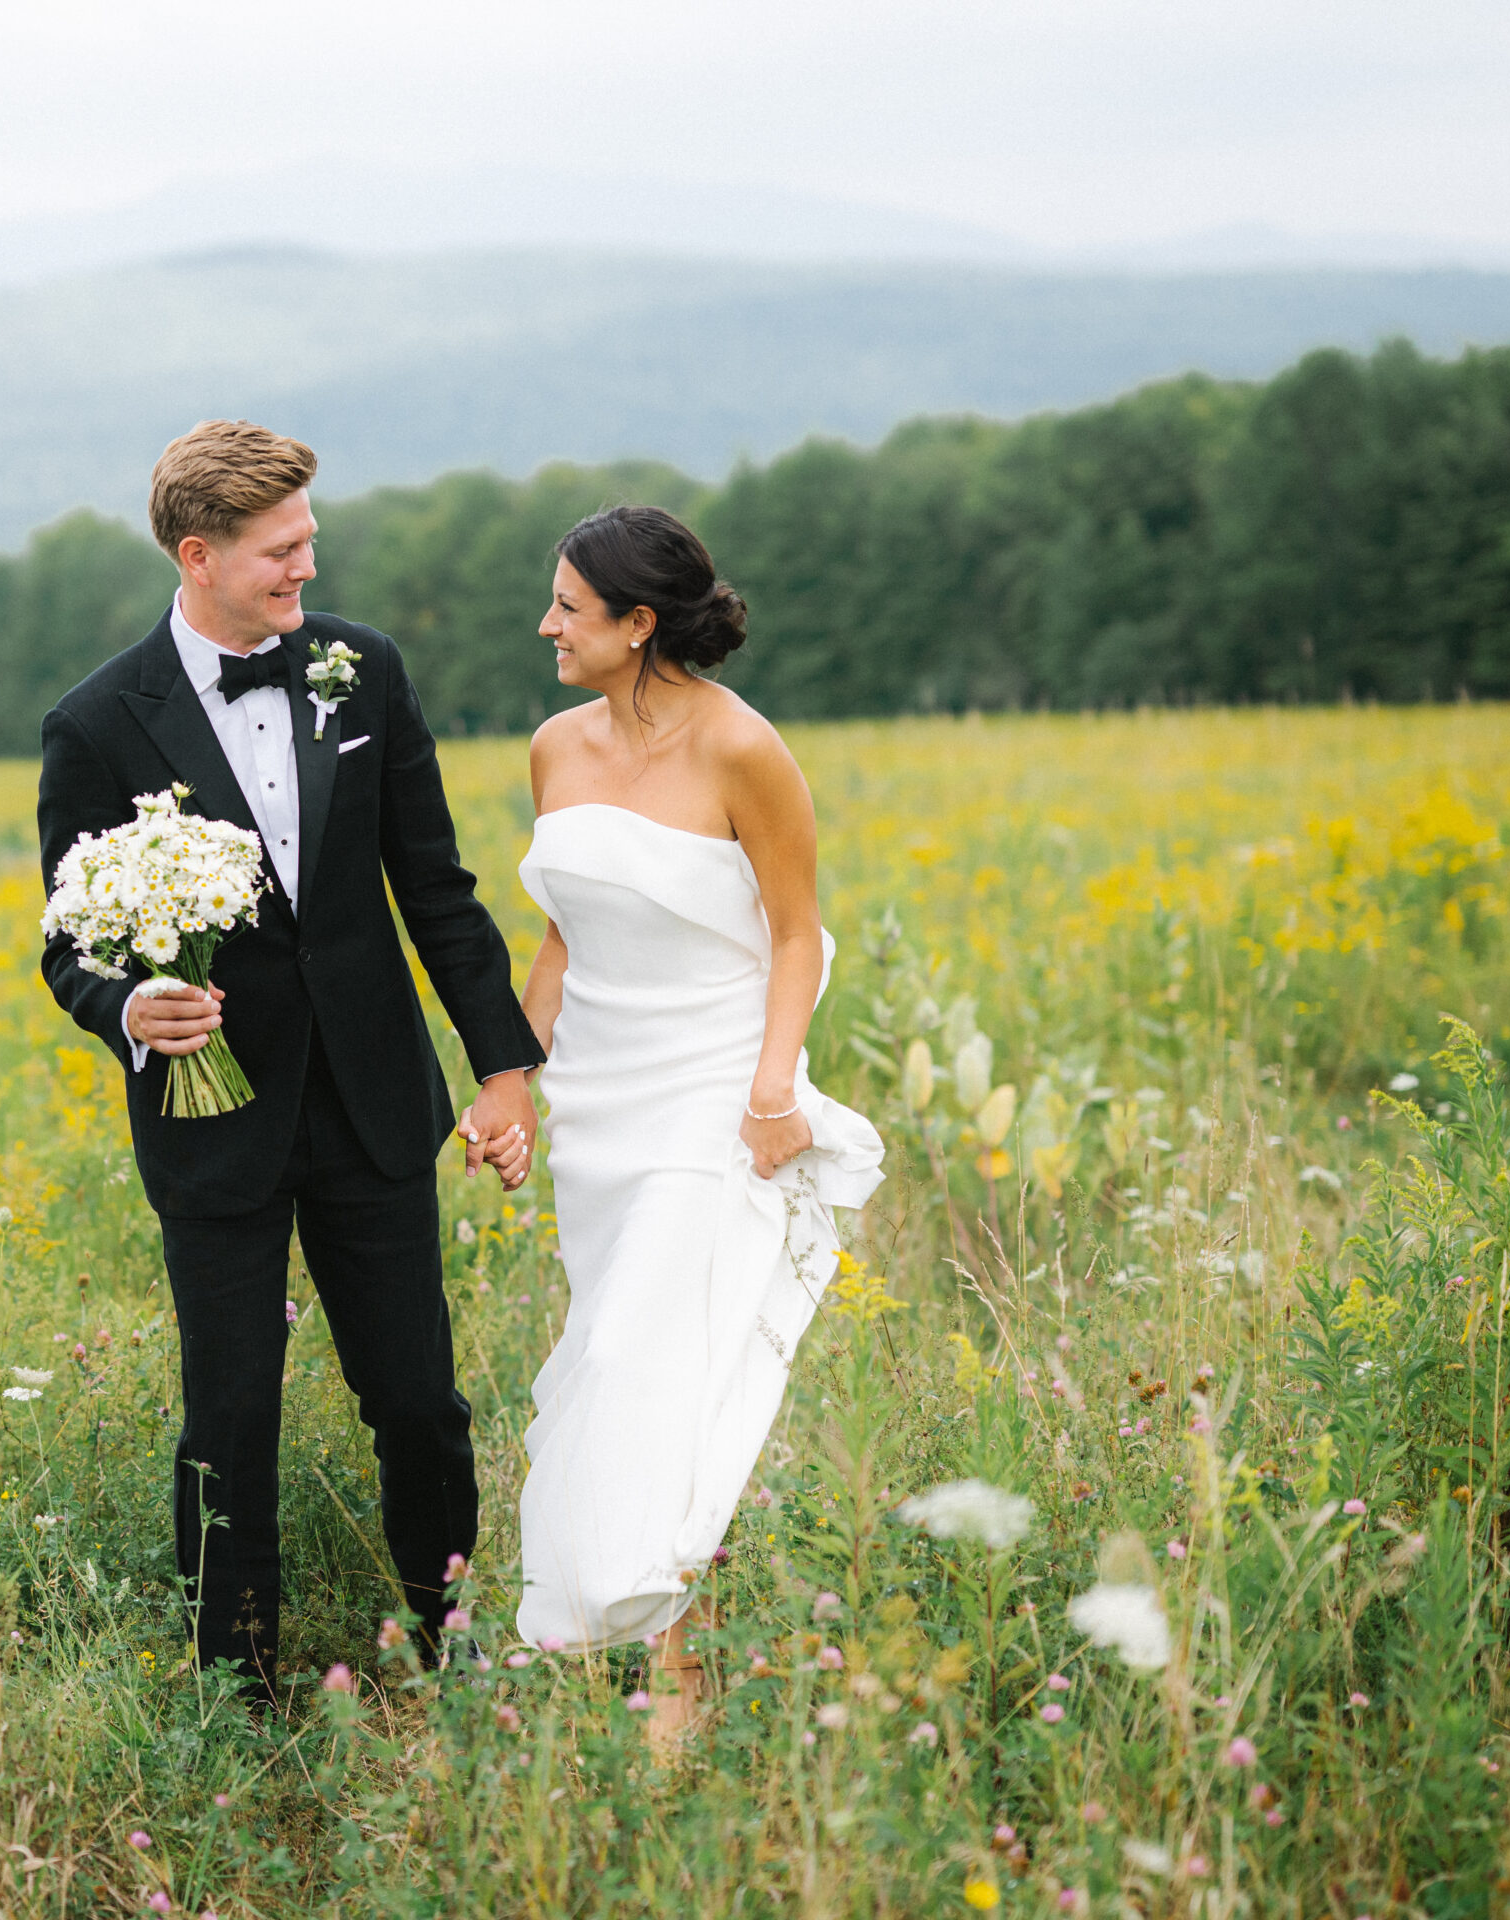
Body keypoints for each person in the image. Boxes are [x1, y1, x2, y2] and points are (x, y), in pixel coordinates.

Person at [36, 420, 543, 1704]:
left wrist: (502, 1070)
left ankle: (450, 1640)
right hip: (214, 1126)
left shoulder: (361, 675)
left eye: (309, 542)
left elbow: (436, 889)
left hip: (373, 1105)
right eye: (282, 552)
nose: (307, 571)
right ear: (198, 556)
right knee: (230, 1420)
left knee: (420, 1401)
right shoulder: (95, 723)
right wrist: (125, 1008)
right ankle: (235, 1688)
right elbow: (66, 938)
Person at [491, 504, 885, 1749]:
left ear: (638, 623)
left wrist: (773, 1091)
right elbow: (563, 929)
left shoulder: (744, 751)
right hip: (597, 1102)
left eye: (568, 605)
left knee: (641, 1365)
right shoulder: (554, 748)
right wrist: (510, 1079)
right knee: (617, 1356)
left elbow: (794, 934)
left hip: (709, 1093)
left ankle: (669, 1675)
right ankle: (627, 1644)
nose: (547, 624)